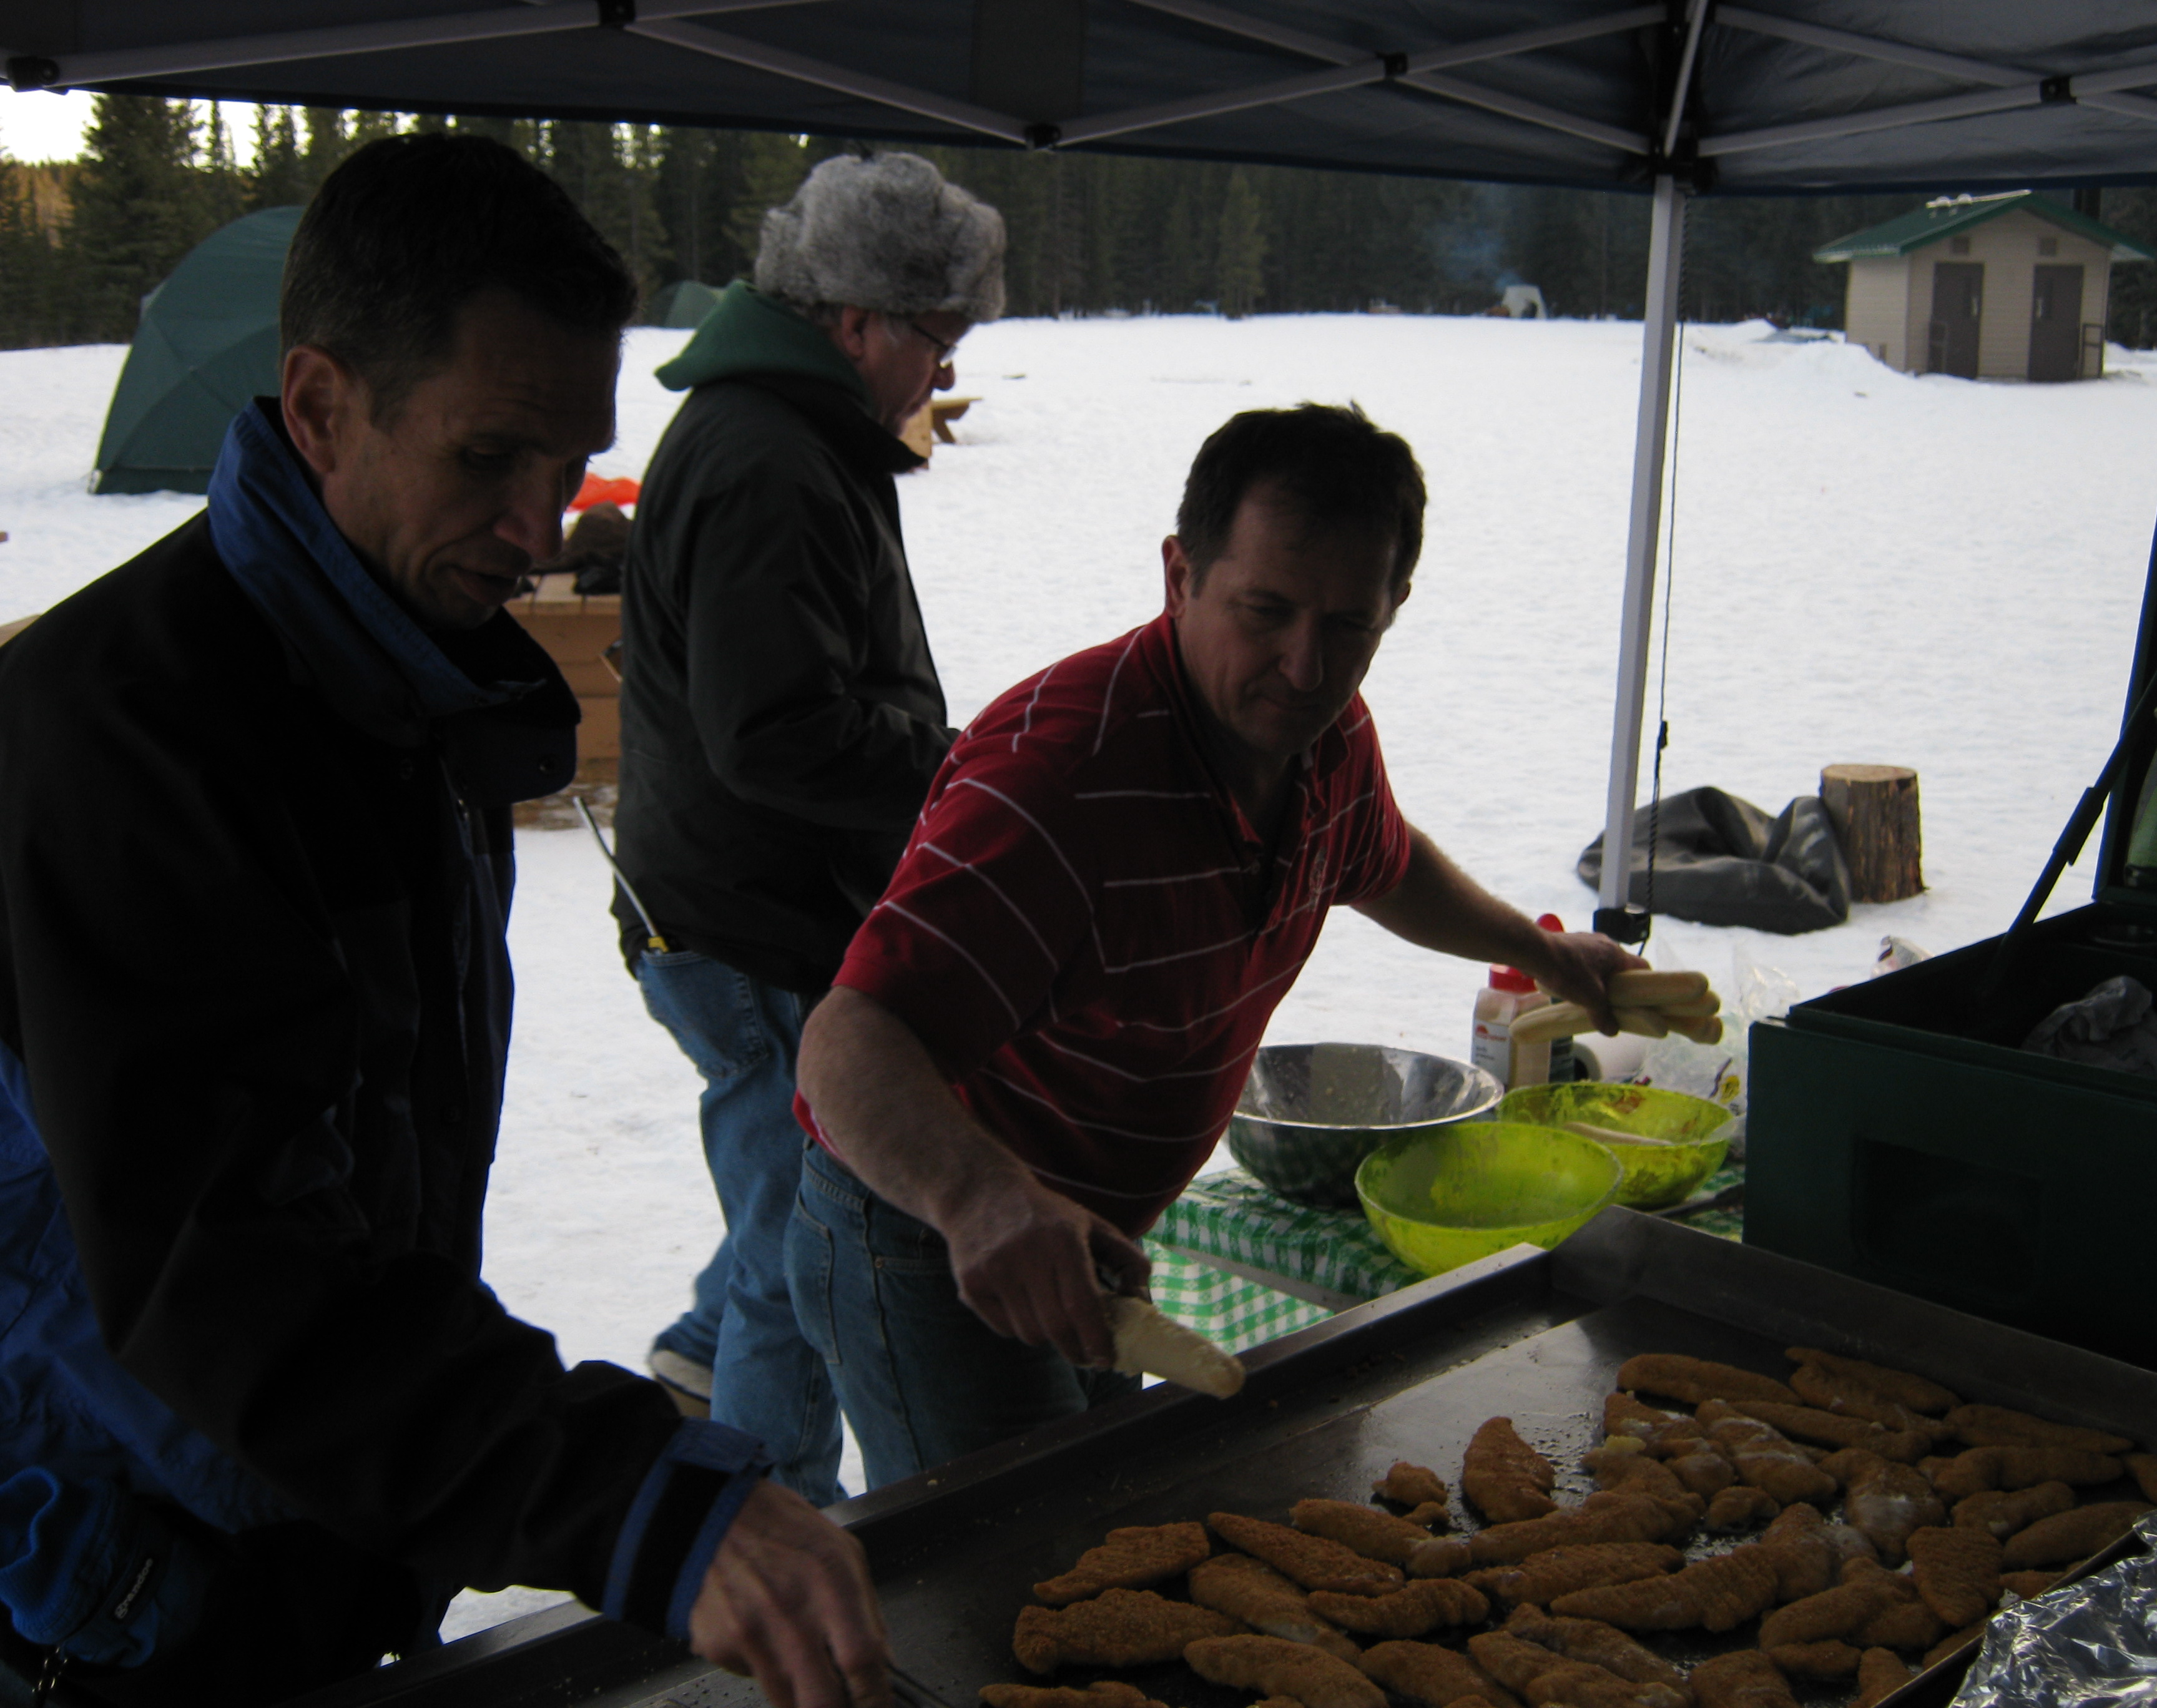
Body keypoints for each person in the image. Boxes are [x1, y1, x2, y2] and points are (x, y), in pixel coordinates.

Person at [0, 135, 886, 1707]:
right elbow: (227, 1262)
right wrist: (619, 1492)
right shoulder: (122, 740)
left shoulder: (400, 679)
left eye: (570, 465)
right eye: (489, 459)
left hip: (322, 1508)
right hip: (113, 1572)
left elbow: (381, 1185)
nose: (540, 528)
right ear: (321, 407)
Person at [792, 404, 1649, 1486]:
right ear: (1180, 576)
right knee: (1016, 1554)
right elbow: (848, 1040)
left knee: (1102, 1513)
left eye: (1349, 625)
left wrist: (1548, 954)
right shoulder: (1059, 781)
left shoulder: (1325, 741)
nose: (1304, 667)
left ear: (1395, 606)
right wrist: (981, 1199)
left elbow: (1382, 862)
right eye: (1266, 611)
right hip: (930, 1228)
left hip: (1091, 1232)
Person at [612, 152, 1000, 1503]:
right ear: (853, 319)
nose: (940, 371)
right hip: (744, 923)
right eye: (934, 337)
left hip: (754, 902)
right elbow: (774, 730)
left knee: (784, 1184)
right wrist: (957, 771)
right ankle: (774, 1516)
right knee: (802, 1237)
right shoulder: (765, 460)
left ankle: (700, 1354)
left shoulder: (795, 431)